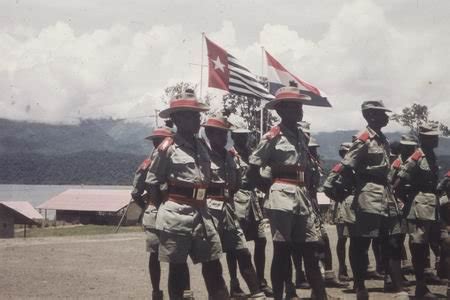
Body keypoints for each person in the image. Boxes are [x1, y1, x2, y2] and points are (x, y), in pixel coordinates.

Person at [247, 84, 330, 300]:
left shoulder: (302, 136)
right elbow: (253, 168)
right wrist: (270, 189)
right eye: (293, 107)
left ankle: (319, 295)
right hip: (281, 197)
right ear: (280, 110)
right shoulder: (273, 136)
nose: (299, 110)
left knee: (312, 249)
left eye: (300, 106)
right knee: (282, 251)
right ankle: (279, 296)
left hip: (302, 196)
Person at [145, 90, 229, 299]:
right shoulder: (167, 148)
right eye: (192, 115)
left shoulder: (201, 145)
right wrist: (161, 210)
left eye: (198, 114)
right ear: (177, 118)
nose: (198, 119)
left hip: (202, 212)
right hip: (176, 215)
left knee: (213, 267)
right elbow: (153, 182)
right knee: (178, 271)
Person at [340, 100, 406, 300]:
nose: (386, 117)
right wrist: (356, 187)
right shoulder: (363, 139)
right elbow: (347, 166)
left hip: (386, 194)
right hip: (368, 194)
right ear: (370, 116)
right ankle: (360, 286)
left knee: (394, 240)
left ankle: (396, 286)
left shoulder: (382, 139)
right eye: (381, 114)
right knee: (362, 243)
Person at [202, 116, 265, 299]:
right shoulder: (203, 156)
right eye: (219, 134)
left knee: (242, 251)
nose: (224, 137)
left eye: (225, 133)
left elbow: (236, 184)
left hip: (229, 208)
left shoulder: (230, 157)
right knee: (212, 257)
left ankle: (257, 293)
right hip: (210, 209)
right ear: (209, 134)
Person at [132, 126, 193, 300]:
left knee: (180, 253)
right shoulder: (147, 165)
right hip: (155, 212)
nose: (159, 144)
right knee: (155, 254)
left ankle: (186, 292)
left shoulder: (178, 163)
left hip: (174, 211)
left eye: (162, 140)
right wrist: (148, 206)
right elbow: (136, 192)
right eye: (157, 141)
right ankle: (156, 291)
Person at [394, 123, 441, 298]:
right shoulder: (417, 157)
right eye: (431, 137)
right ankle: (421, 286)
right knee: (419, 247)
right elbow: (398, 183)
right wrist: (408, 202)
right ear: (423, 139)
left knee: (439, 243)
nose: (435, 139)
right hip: (419, 206)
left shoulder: (431, 156)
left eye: (436, 136)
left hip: (432, 205)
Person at [231, 125, 274, 297]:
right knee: (234, 245)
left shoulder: (252, 154)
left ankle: (261, 281)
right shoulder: (230, 155)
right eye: (239, 136)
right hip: (237, 199)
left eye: (245, 136)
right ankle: (234, 284)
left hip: (253, 199)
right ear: (233, 137)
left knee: (261, 240)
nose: (243, 139)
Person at [307, 137, 349, 288]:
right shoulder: (302, 162)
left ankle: (328, 276)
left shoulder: (314, 163)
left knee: (324, 240)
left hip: (313, 205)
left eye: (315, 149)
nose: (314, 151)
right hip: (304, 205)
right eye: (311, 149)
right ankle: (312, 279)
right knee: (314, 243)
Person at [323, 142, 354, 283]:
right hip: (342, 205)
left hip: (355, 204)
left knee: (357, 239)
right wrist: (337, 198)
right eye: (345, 152)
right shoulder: (339, 167)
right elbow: (327, 186)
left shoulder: (356, 167)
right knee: (342, 239)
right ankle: (342, 269)